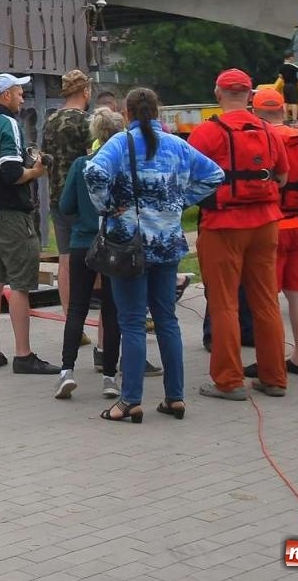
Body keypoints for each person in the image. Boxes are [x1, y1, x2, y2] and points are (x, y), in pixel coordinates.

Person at [84, 88, 224, 423]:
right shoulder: (176, 145)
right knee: (167, 321)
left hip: (129, 247)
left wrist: (107, 207)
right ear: (158, 112)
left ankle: (131, 399)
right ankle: (175, 397)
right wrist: (180, 201)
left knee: (131, 321)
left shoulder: (120, 143)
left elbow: (93, 173)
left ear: (128, 114)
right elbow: (215, 175)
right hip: (168, 244)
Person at [188, 69, 289, 401]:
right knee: (266, 301)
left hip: (222, 227)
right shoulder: (269, 131)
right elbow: (283, 179)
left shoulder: (206, 133)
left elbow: (189, 183)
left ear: (218, 94)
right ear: (250, 96)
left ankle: (229, 381)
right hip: (266, 224)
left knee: (224, 304)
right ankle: (274, 378)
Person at [0, 73, 56, 375]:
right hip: (11, 212)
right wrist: (36, 172)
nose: (23, 98)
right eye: (20, 92)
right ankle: (24, 354)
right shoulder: (7, 123)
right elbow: (10, 171)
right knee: (20, 283)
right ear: (5, 95)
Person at [245, 88, 298, 379]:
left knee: (266, 300)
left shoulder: (262, 139)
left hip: (270, 228)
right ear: (282, 110)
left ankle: (269, 361)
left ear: (255, 112)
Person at [53, 106, 126, 401]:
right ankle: (110, 377)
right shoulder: (122, 166)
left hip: (83, 242)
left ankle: (66, 372)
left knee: (77, 310)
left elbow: (66, 204)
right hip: (115, 244)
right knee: (112, 311)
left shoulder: (81, 164)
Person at [43, 69, 93, 323]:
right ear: (86, 91)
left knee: (64, 259)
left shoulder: (50, 121)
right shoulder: (86, 122)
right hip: (82, 201)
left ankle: (71, 320)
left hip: (56, 198)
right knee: (94, 255)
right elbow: (93, 159)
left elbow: (43, 160)